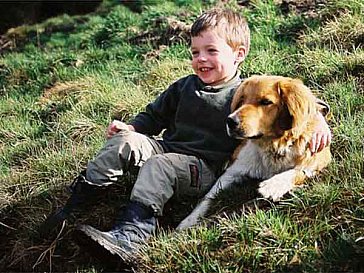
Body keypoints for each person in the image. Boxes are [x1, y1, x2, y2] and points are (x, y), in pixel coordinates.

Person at [40, 8, 331, 262]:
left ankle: (133, 234)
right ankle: (78, 203)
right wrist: (131, 129)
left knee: (159, 166)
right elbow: (154, 116)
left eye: (211, 51)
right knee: (123, 142)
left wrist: (319, 121)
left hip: (200, 165)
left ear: (238, 54)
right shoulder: (184, 86)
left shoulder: (246, 91)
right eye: (195, 52)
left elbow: (299, 103)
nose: (201, 59)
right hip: (166, 147)